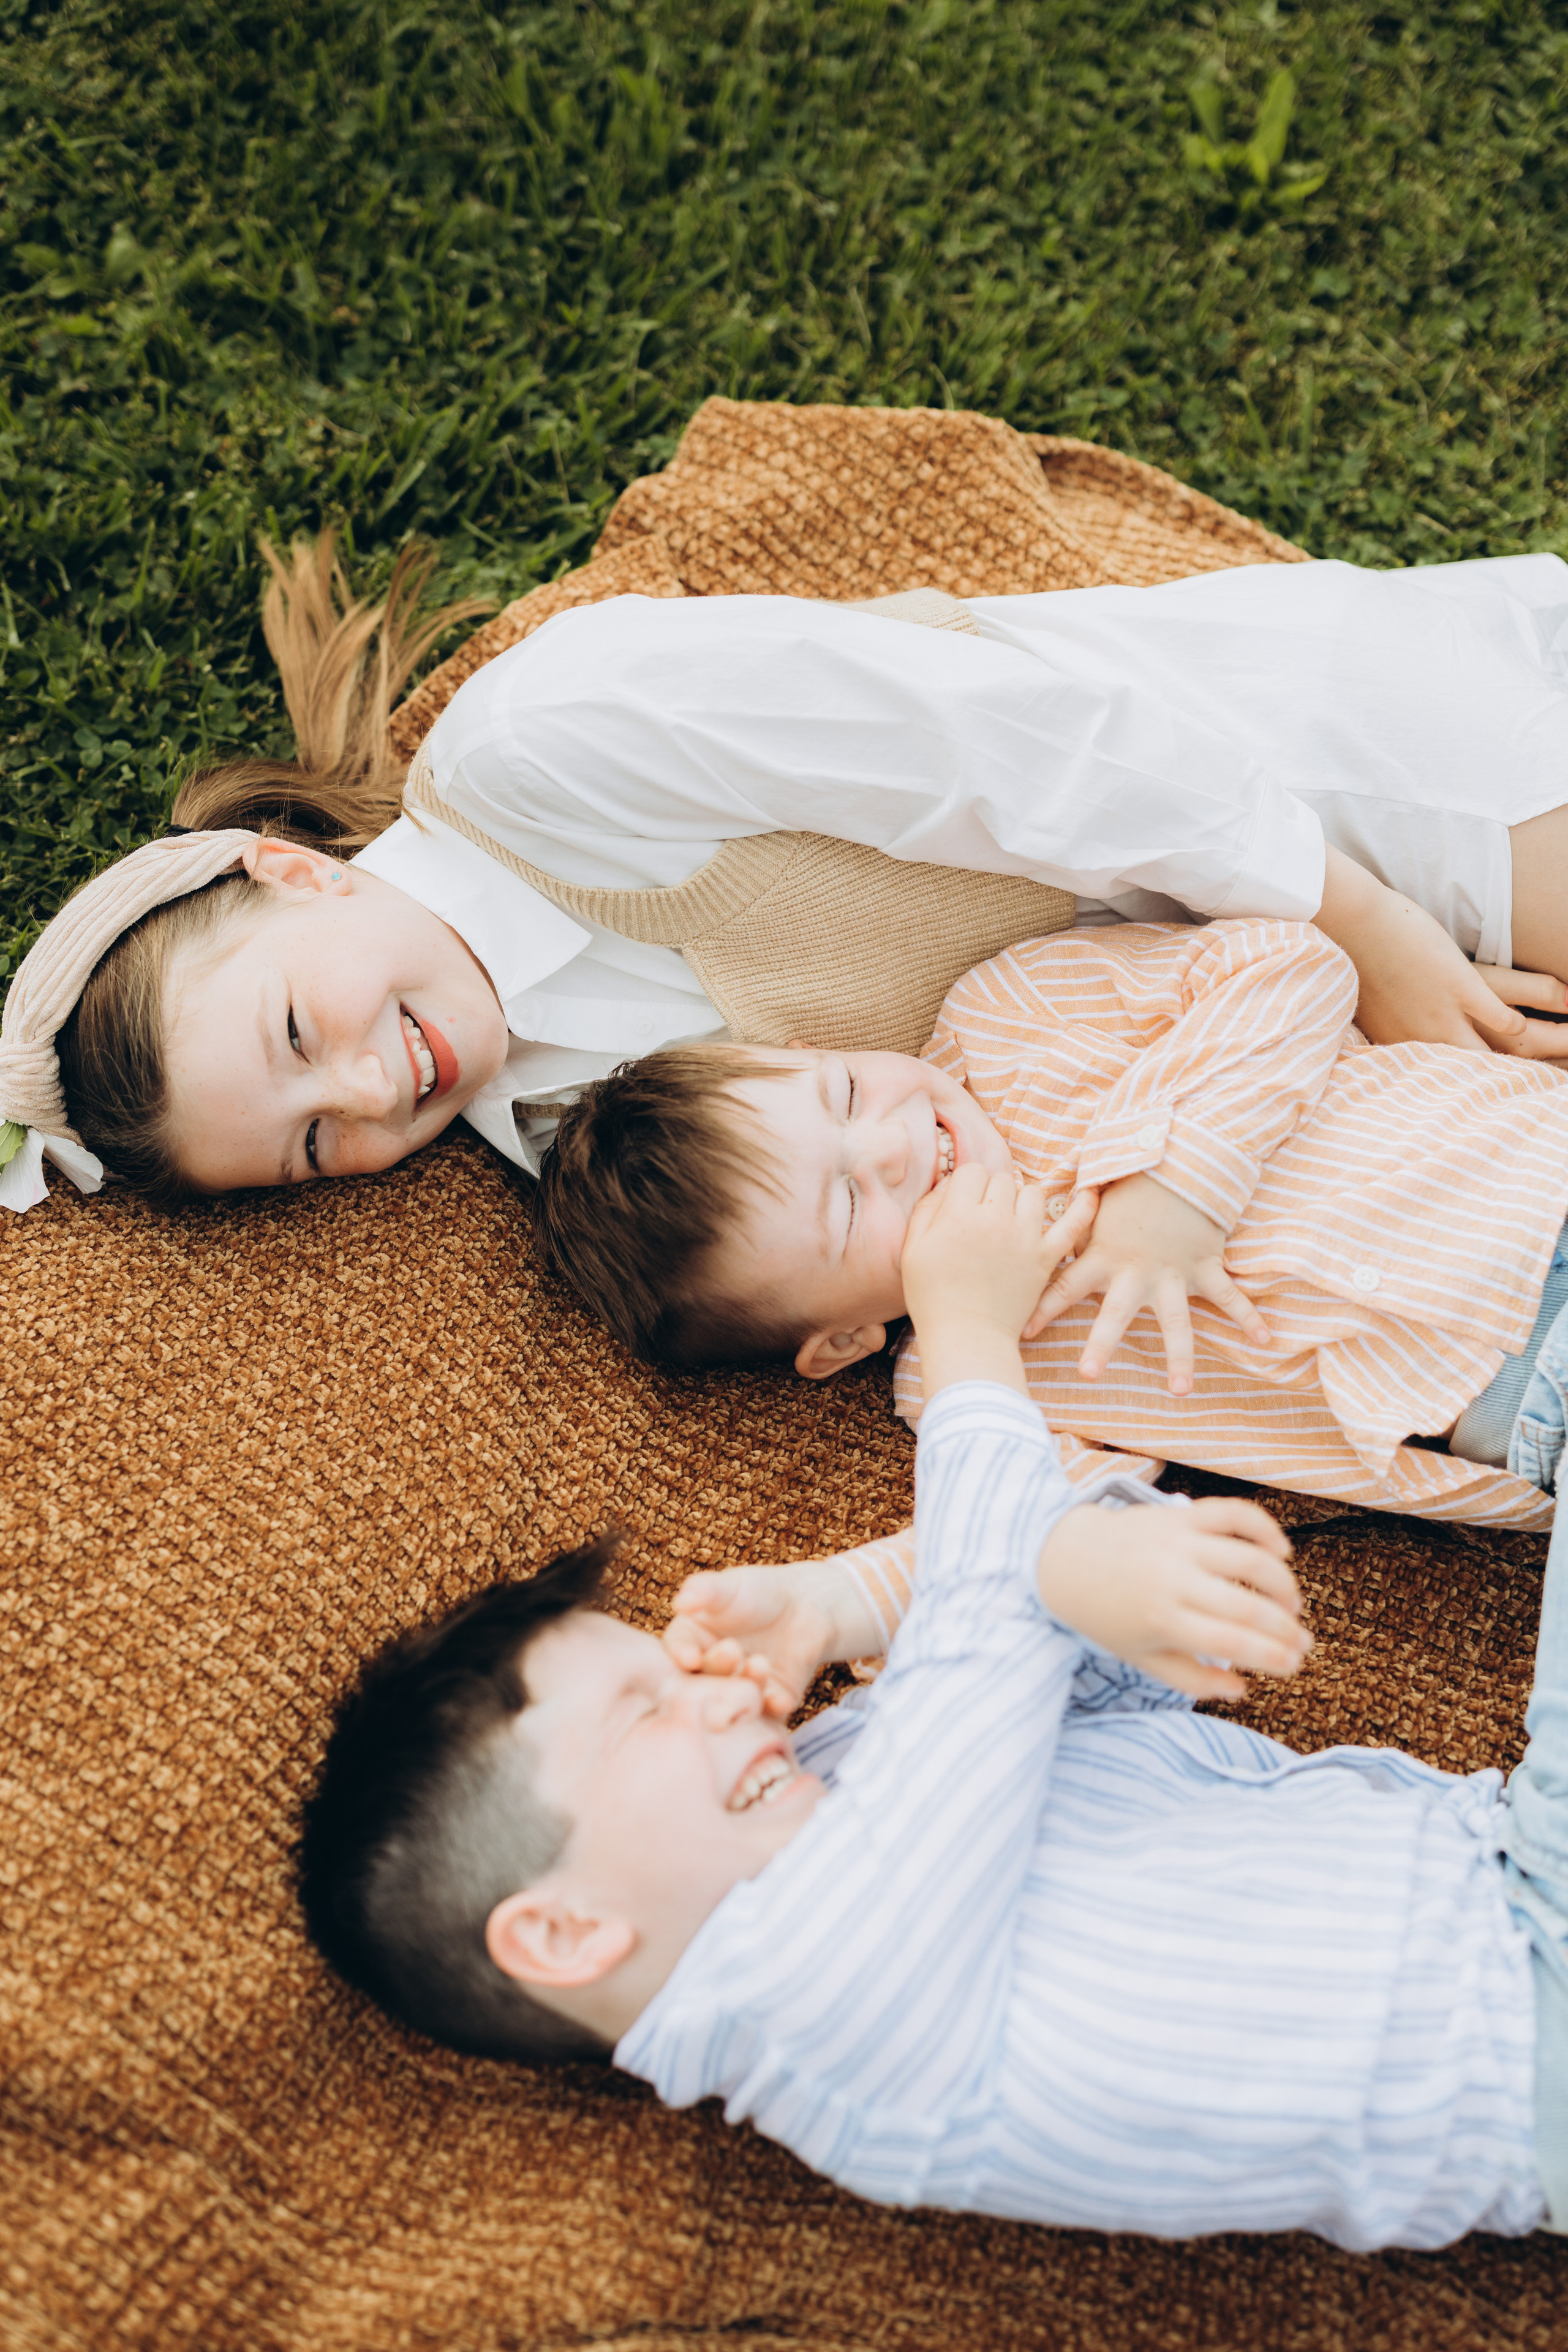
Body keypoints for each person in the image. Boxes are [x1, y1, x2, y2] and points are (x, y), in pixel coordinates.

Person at [298, 1163, 1568, 2251]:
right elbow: (984, 1638)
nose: (709, 1696)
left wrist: (844, 1614)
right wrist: (966, 1342)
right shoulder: (818, 2026)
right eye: (642, 1714)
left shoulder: (846, 1772)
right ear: (568, 1934)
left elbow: (1114, 1642)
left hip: (1511, 1855)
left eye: (671, 1670)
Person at [6, 536, 1568, 1231]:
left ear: (297, 877)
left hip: (1326, 791)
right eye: (308, 1148)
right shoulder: (567, 1131)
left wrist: (1353, 921)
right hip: (1272, 1022)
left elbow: (1004, 738)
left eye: (296, 1036)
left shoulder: (543, 747)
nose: (364, 1092)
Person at [534, 915, 1568, 1529]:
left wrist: (1175, 1196)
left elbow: (1291, 965)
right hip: (1523, 1421)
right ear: (843, 1339)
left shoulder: (1012, 1012)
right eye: (847, 1205)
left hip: (1533, 1184)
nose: (889, 1146)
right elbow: (1081, 1530)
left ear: (816, 1046)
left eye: (844, 1093)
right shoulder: (959, 1378)